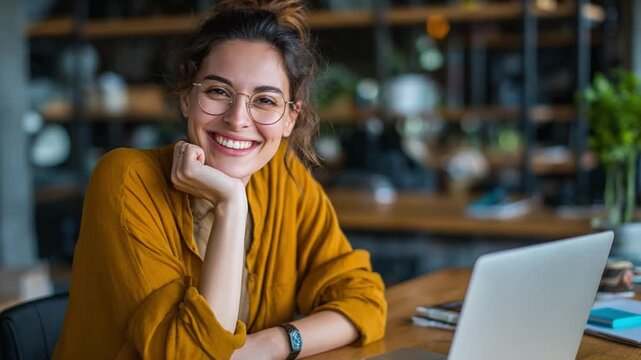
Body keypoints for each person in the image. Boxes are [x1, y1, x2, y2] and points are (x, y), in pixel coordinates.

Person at [53, 1, 387, 359]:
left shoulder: (284, 177)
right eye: (218, 92)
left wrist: (269, 345)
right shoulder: (125, 179)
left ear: (290, 118)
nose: (238, 119)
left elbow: (363, 299)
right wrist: (231, 203)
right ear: (186, 96)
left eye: (265, 100)